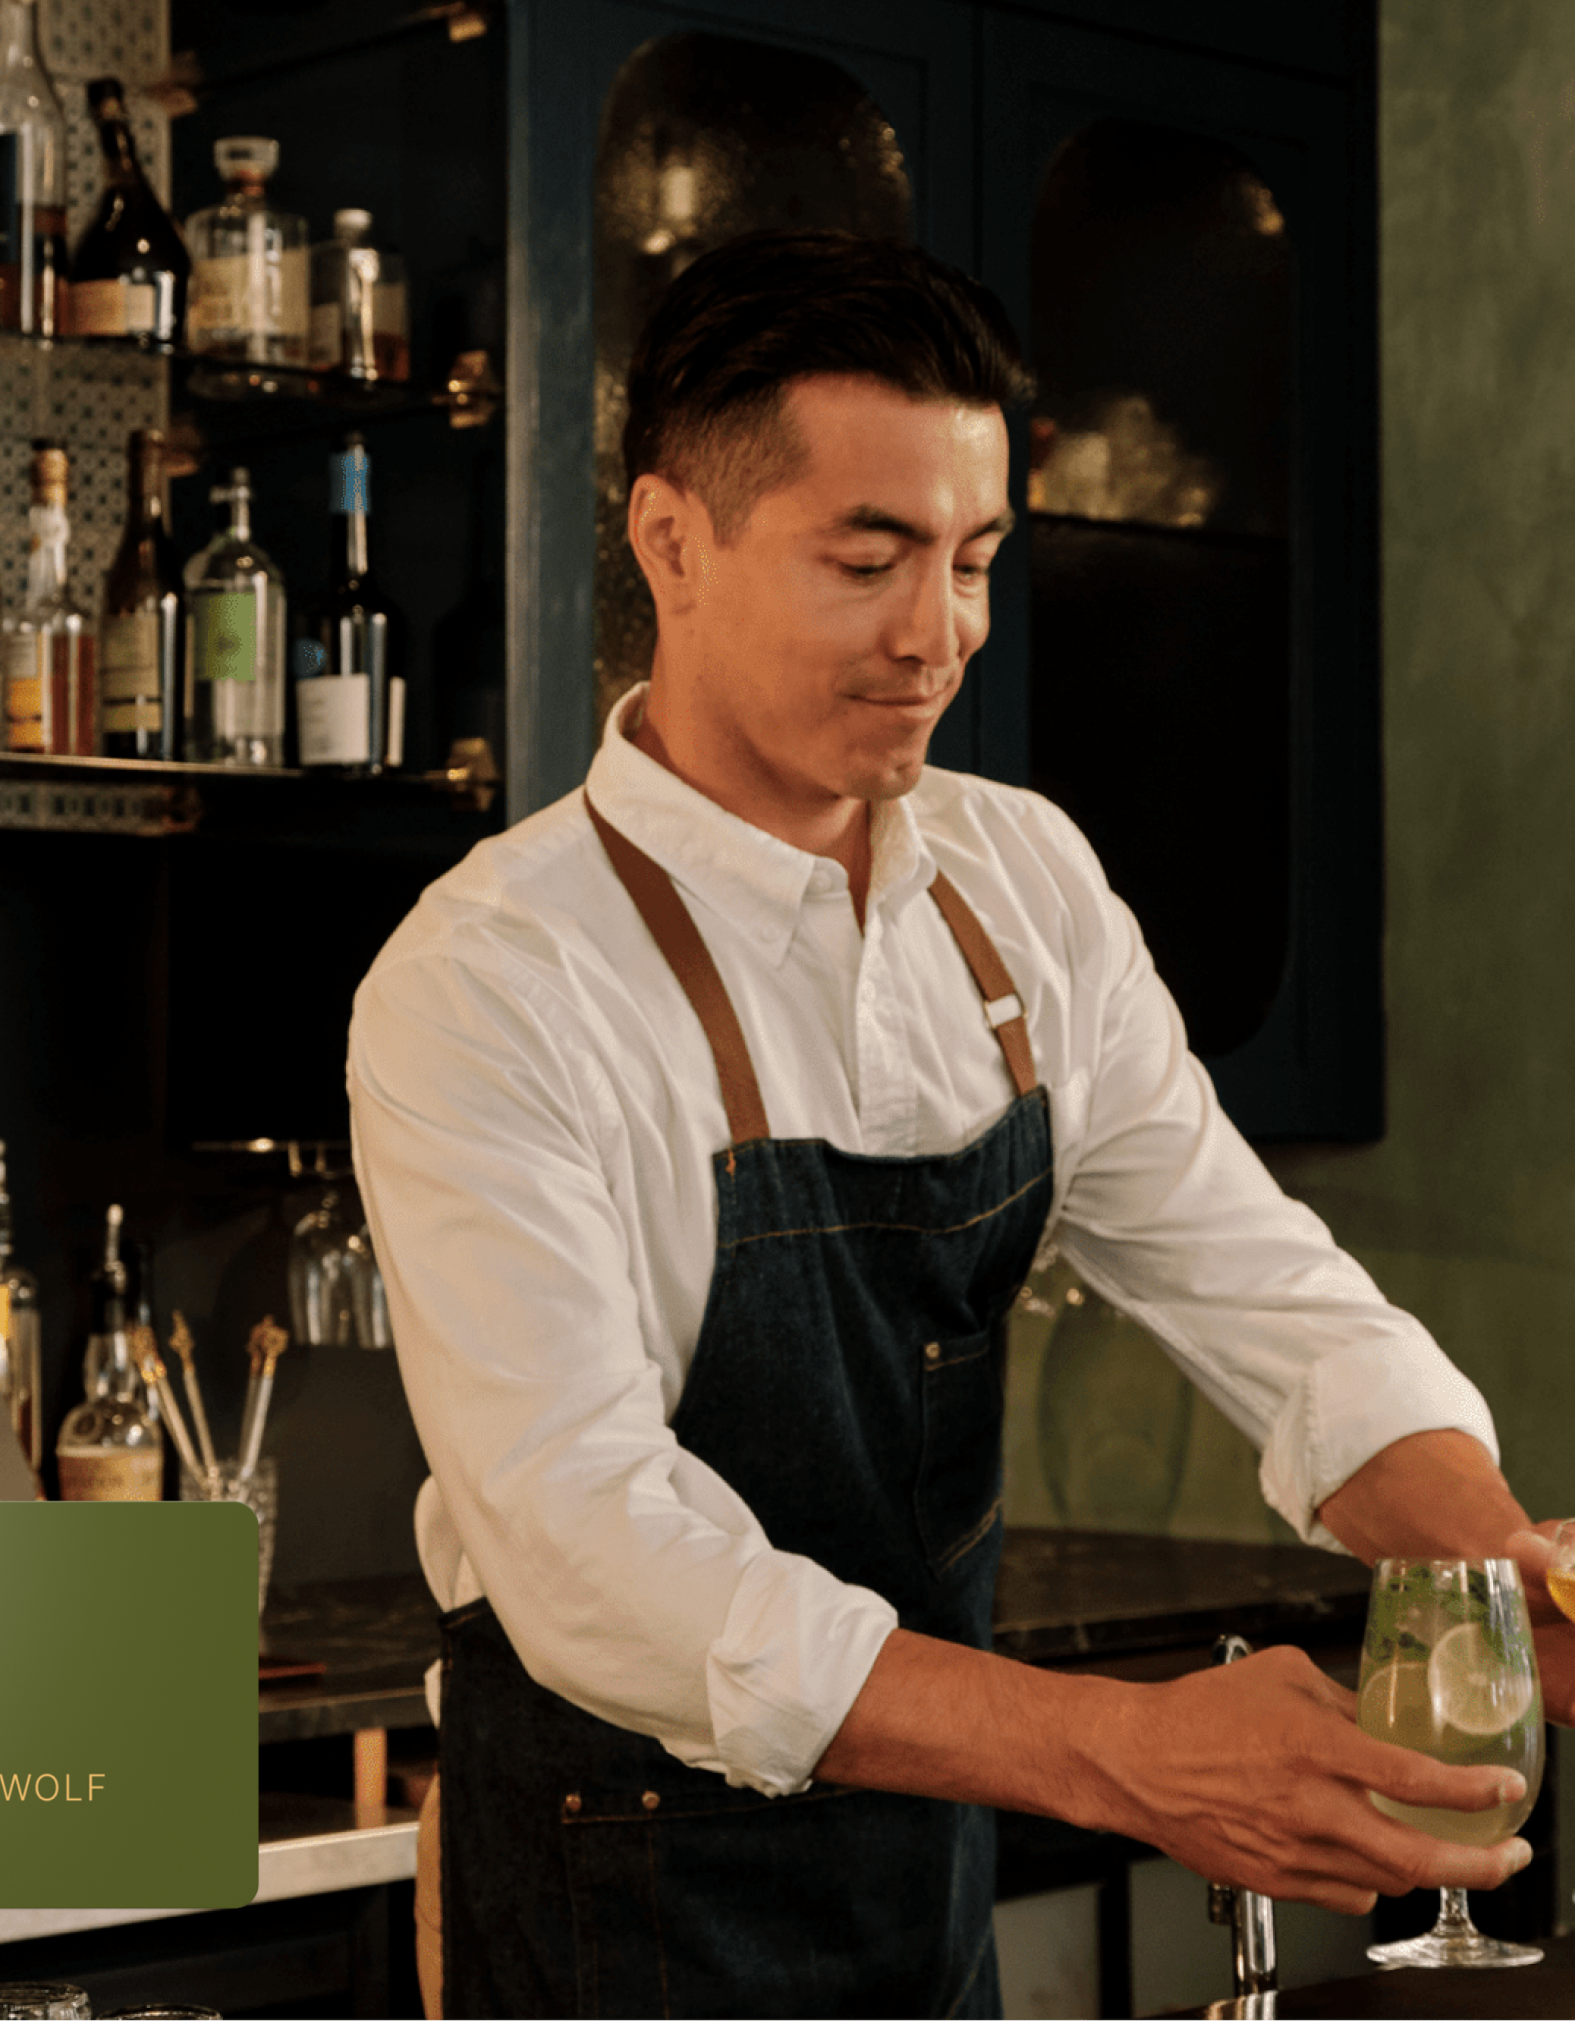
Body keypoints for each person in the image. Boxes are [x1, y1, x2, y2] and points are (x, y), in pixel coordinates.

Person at [348, 231, 1565, 2021]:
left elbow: (1265, 1294)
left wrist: (1495, 1563)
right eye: (870, 559)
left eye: (976, 560)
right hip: (628, 1899)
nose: (938, 635)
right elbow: (589, 1553)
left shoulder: (1023, 884)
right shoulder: (490, 981)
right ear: (670, 538)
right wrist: (1115, 1752)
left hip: (929, 1869)